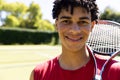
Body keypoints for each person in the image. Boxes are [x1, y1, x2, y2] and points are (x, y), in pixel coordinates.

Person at [30, 0, 120, 80]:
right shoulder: (39, 74)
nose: (75, 30)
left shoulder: (116, 71)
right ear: (56, 24)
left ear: (92, 26)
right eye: (66, 21)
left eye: (83, 22)